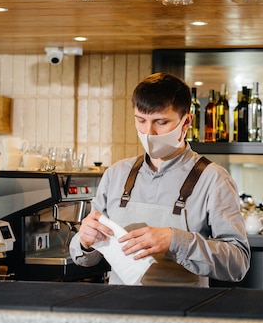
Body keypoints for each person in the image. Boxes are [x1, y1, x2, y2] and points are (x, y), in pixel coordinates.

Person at [70, 72, 250, 287]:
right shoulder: (116, 174)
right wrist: (85, 242)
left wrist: (177, 241)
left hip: (183, 312)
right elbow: (85, 257)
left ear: (186, 121)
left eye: (161, 122)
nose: (149, 132)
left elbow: (238, 263)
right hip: (120, 308)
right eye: (141, 120)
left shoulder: (214, 179)